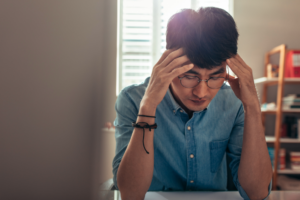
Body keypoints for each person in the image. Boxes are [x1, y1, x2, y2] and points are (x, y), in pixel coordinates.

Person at [112, 7, 272, 200]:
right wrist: (148, 107)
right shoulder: (133, 100)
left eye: (215, 77)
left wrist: (252, 107)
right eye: (189, 76)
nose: (201, 92)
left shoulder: (234, 103)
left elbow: (257, 194)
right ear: (167, 63)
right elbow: (131, 194)